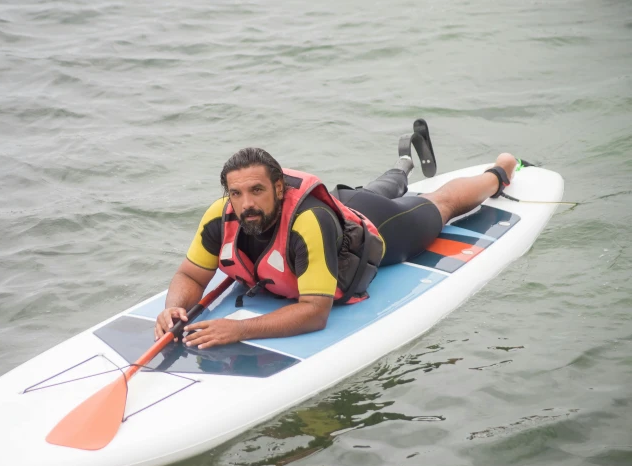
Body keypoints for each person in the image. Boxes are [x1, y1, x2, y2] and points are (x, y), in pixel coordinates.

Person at [155, 137, 518, 350]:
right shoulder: (220, 218)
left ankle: (499, 172)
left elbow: (315, 312)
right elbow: (189, 274)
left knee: (439, 205)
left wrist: (240, 329)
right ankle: (403, 164)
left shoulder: (307, 223)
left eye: (257, 190)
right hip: (344, 209)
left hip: (376, 228)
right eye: (236, 193)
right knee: (370, 191)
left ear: (279, 189)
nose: (246, 203)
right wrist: (173, 307)